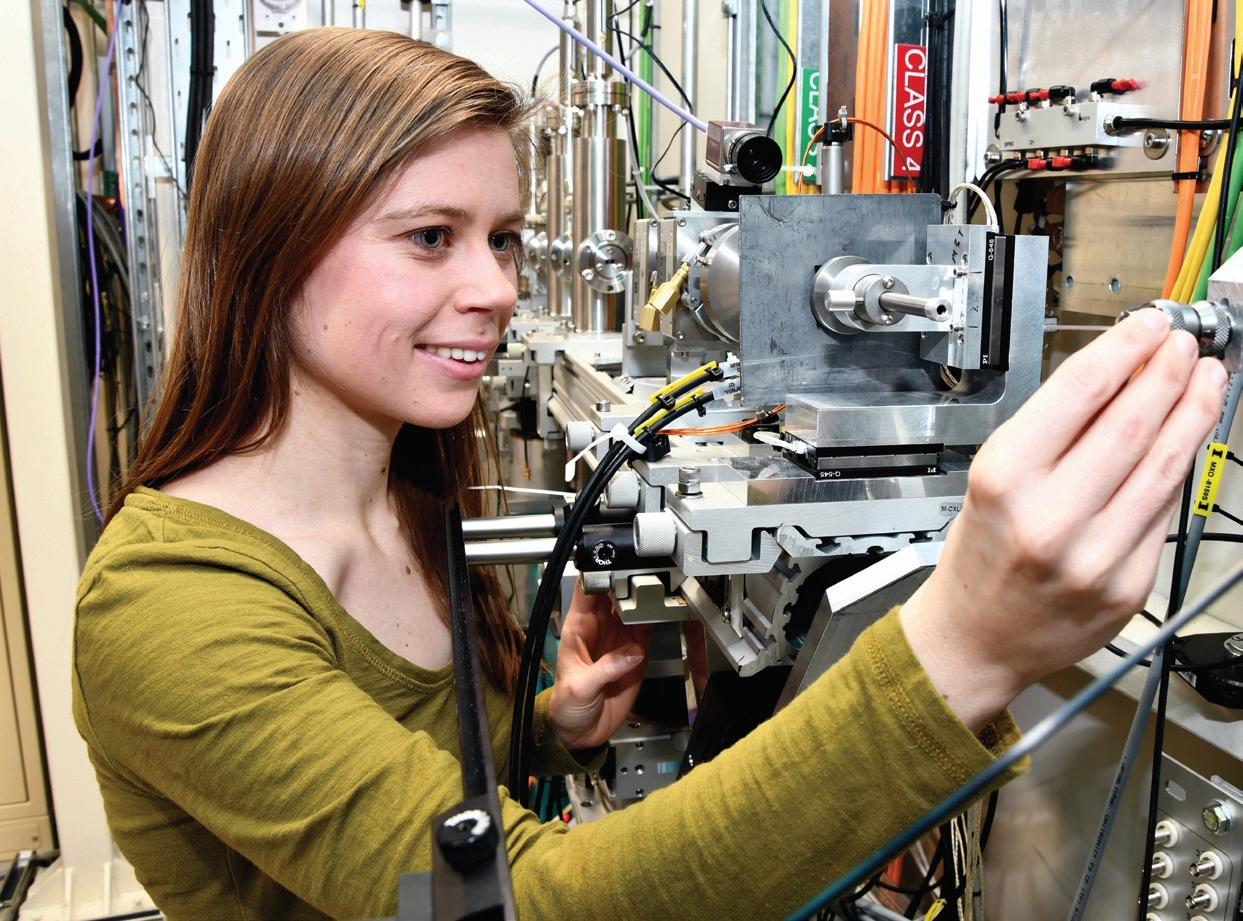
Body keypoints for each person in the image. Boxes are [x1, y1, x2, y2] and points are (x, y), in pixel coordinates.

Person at [71, 26, 1229, 921]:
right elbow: (527, 903)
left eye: (505, 238)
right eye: (430, 238)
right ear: (269, 251)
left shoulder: (401, 498)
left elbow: (415, 797)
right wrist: (962, 647)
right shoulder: (174, 609)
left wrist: (550, 726)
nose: (493, 288)